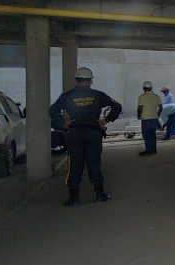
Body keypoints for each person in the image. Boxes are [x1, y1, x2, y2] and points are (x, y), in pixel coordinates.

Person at [49, 67, 122, 206]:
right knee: (94, 162)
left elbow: (53, 110)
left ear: (76, 80)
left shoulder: (67, 96)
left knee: (75, 164)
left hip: (75, 133)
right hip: (93, 133)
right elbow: (117, 106)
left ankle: (74, 197)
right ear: (91, 81)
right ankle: (100, 194)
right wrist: (106, 120)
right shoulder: (97, 95)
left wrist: (62, 124)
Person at [137, 81, 162, 156]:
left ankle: (148, 150)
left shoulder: (142, 97)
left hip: (146, 118)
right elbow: (160, 107)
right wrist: (157, 114)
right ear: (151, 88)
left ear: (143, 88)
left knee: (146, 135)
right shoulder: (156, 96)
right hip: (154, 118)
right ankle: (153, 149)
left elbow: (140, 108)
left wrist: (139, 115)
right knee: (152, 134)